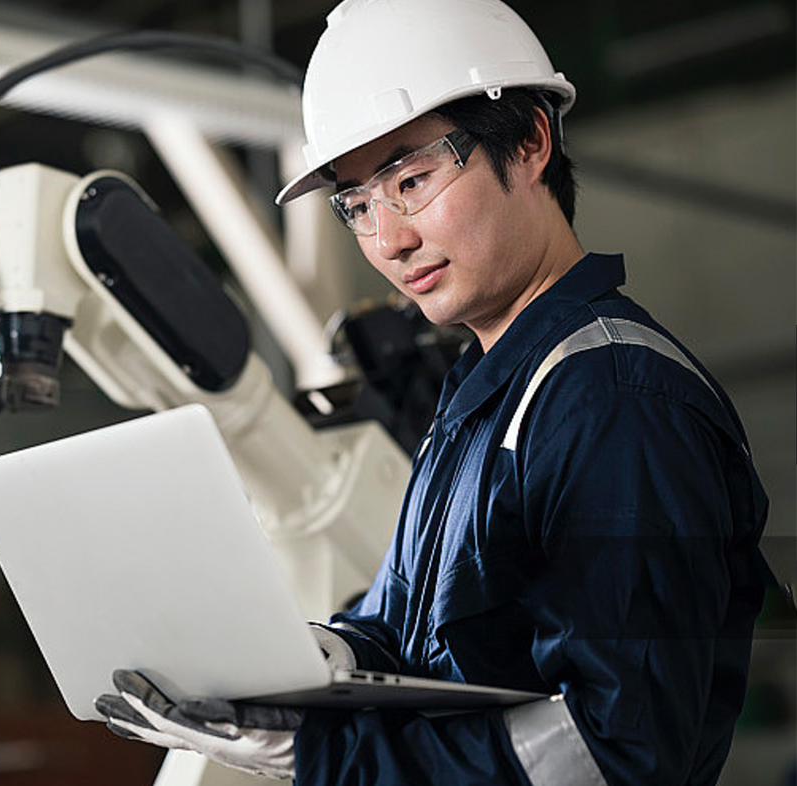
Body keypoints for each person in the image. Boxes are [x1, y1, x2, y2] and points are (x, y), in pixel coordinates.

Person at [95, 0, 774, 783]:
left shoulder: (614, 401)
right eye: (356, 205)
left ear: (528, 144)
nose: (388, 240)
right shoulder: (482, 398)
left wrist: (320, 754)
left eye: (411, 180)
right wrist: (300, 664)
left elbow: (616, 752)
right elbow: (399, 628)